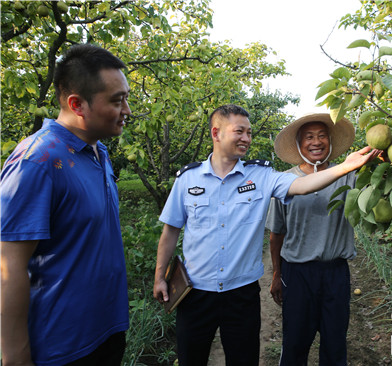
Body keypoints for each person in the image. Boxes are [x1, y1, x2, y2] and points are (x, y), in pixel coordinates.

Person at [153, 104, 379, 366]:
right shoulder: (188, 179)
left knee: (244, 359)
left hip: (241, 294)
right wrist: (160, 277)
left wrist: (346, 166)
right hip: (195, 291)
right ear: (216, 133)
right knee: (192, 359)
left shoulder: (261, 176)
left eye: (249, 133)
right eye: (240, 131)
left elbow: (303, 184)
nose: (246, 138)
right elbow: (170, 231)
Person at [1, 44, 131, 366]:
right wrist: (16, 357)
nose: (127, 110)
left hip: (106, 332)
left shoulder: (98, 152)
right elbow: (8, 265)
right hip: (62, 348)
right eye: (117, 101)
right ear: (77, 104)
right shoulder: (38, 161)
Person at [266, 113, 371, 365]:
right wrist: (276, 274)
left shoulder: (348, 175)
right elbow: (276, 235)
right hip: (297, 273)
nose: (316, 142)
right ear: (300, 144)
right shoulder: (286, 181)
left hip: (335, 272)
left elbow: (377, 187)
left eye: (322, 136)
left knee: (335, 343)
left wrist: (384, 159)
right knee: (295, 342)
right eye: (309, 137)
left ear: (330, 142)